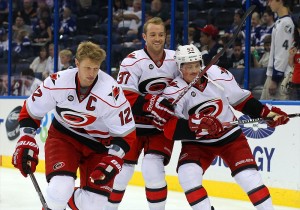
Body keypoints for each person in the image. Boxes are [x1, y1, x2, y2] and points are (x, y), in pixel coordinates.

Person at [157, 44, 289, 210]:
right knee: (187, 175)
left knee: (248, 177)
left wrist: (268, 115)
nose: (194, 71)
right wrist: (195, 124)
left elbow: (242, 101)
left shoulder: (217, 74)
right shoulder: (174, 90)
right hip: (197, 143)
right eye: (188, 67)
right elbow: (169, 128)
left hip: (230, 138)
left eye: (197, 65)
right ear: (179, 68)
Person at [11, 41, 136, 210]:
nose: (92, 74)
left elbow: (126, 133)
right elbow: (31, 111)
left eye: (96, 68)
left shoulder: (111, 91)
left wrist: (114, 157)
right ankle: (57, 202)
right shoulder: (58, 82)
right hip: (64, 137)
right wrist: (26, 137)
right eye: (87, 68)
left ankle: (61, 201)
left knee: (95, 205)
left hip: (99, 145)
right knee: (59, 190)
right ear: (77, 63)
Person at [104, 17, 178, 210]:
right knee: (122, 172)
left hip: (160, 128)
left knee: (153, 168)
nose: (157, 38)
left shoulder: (176, 59)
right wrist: (153, 103)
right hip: (132, 126)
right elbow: (125, 95)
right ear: (144, 36)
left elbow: (187, 86)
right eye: (152, 34)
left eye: (161, 34)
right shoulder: (132, 60)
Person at [260, 0, 294, 100]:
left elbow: (282, 53)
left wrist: (275, 79)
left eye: (271, 0)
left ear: (280, 1)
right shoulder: (280, 22)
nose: (269, 3)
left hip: (280, 77)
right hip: (273, 74)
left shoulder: (286, 23)